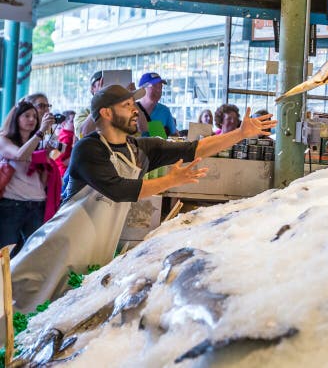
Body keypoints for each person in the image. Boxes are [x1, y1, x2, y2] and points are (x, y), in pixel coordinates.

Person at [10, 85, 276, 312]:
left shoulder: (139, 149)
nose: (135, 109)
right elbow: (117, 189)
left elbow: (193, 148)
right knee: (17, 304)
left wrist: (239, 135)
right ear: (106, 112)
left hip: (94, 251)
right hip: (57, 246)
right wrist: (170, 181)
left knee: (61, 314)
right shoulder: (88, 148)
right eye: (127, 105)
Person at [0, 102, 56, 256]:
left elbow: (42, 179)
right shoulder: (4, 139)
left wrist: (46, 155)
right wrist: (41, 132)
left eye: (34, 117)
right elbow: (19, 155)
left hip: (37, 203)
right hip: (12, 204)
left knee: (33, 254)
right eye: (26, 116)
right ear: (16, 118)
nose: (32, 119)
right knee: (6, 253)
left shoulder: (38, 143)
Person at [136, 72, 177, 137]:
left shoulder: (164, 110)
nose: (158, 90)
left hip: (158, 147)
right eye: (154, 86)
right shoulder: (132, 109)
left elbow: (174, 135)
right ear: (142, 89)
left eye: (160, 87)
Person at [75, 71, 104, 138]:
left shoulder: (118, 109)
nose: (106, 87)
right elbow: (83, 134)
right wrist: (100, 100)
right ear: (92, 89)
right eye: (101, 84)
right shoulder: (84, 112)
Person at [53, 110, 76, 178]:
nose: (75, 124)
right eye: (72, 121)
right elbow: (60, 161)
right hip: (65, 172)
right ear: (63, 124)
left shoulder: (69, 135)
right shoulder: (66, 138)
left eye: (75, 121)